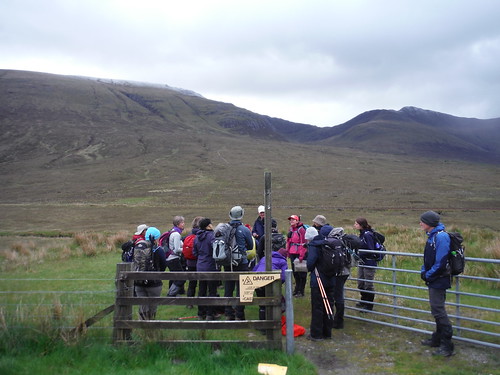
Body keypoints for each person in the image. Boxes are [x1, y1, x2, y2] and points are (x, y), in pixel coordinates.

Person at [419, 210, 455, 357]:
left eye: (422, 221)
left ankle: (447, 346)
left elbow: (440, 262)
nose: (420, 223)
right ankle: (437, 339)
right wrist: (424, 271)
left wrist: (427, 274)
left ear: (429, 223)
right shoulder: (433, 236)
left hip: (439, 279)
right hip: (434, 278)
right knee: (436, 310)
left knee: (438, 311)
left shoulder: (441, 237)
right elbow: (429, 259)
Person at [223, 205, 253, 320]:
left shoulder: (225, 228)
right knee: (242, 289)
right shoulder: (245, 229)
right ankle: (240, 315)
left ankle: (228, 313)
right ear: (241, 215)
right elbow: (250, 246)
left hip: (227, 261)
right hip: (241, 262)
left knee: (228, 288)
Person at [306, 223, 335, 341]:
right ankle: (327, 333)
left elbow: (310, 263)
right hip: (331, 279)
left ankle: (316, 334)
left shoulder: (314, 245)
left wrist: (310, 267)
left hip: (318, 280)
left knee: (318, 306)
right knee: (329, 305)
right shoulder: (330, 243)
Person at [133, 227, 167, 320]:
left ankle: (141, 326)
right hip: (154, 283)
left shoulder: (139, 247)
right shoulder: (158, 249)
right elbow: (163, 265)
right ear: (156, 237)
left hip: (138, 281)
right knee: (152, 307)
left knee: (142, 306)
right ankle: (150, 329)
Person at [193, 217, 220, 320]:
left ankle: (201, 313)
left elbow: (194, 252)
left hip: (200, 265)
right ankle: (210, 313)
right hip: (211, 265)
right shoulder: (212, 236)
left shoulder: (197, 237)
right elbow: (216, 250)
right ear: (208, 226)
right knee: (212, 290)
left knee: (202, 289)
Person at [253, 246, 288, 323]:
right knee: (272, 301)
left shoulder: (264, 258)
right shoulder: (283, 261)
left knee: (262, 304)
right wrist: (278, 285)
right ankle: (271, 322)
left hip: (256, 281)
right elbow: (283, 276)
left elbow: (255, 269)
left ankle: (262, 325)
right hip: (270, 282)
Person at [326, 226, 351, 329]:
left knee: (336, 296)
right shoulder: (346, 241)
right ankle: (338, 320)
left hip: (337, 272)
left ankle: (336, 321)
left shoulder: (333, 242)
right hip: (346, 271)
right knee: (339, 295)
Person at [354, 217, 378, 311]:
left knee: (368, 284)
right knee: (361, 283)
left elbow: (370, 249)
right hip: (362, 261)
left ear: (361, 225)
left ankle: (369, 305)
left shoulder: (367, 235)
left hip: (369, 262)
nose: (354, 225)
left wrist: (360, 253)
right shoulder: (362, 234)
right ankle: (363, 301)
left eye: (356, 224)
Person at [164, 215, 186, 296]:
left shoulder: (172, 231)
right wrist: (186, 249)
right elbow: (176, 249)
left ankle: (172, 294)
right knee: (181, 278)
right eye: (182, 222)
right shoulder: (176, 234)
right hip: (173, 259)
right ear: (177, 224)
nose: (184, 224)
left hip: (170, 258)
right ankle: (171, 294)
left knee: (175, 277)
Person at [286, 215, 308, 297]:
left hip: (300, 253)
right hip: (292, 252)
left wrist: (302, 255)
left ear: (297, 221)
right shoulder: (291, 230)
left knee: (301, 272)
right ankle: (297, 289)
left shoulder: (301, 230)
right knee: (295, 272)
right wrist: (288, 251)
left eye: (293, 220)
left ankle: (301, 290)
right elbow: (288, 241)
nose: (291, 221)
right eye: (290, 220)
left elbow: (304, 243)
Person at [185, 216, 203, 308]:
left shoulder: (189, 235)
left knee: (192, 283)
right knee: (202, 284)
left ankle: (189, 303)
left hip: (189, 262)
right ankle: (201, 302)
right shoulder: (201, 235)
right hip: (200, 262)